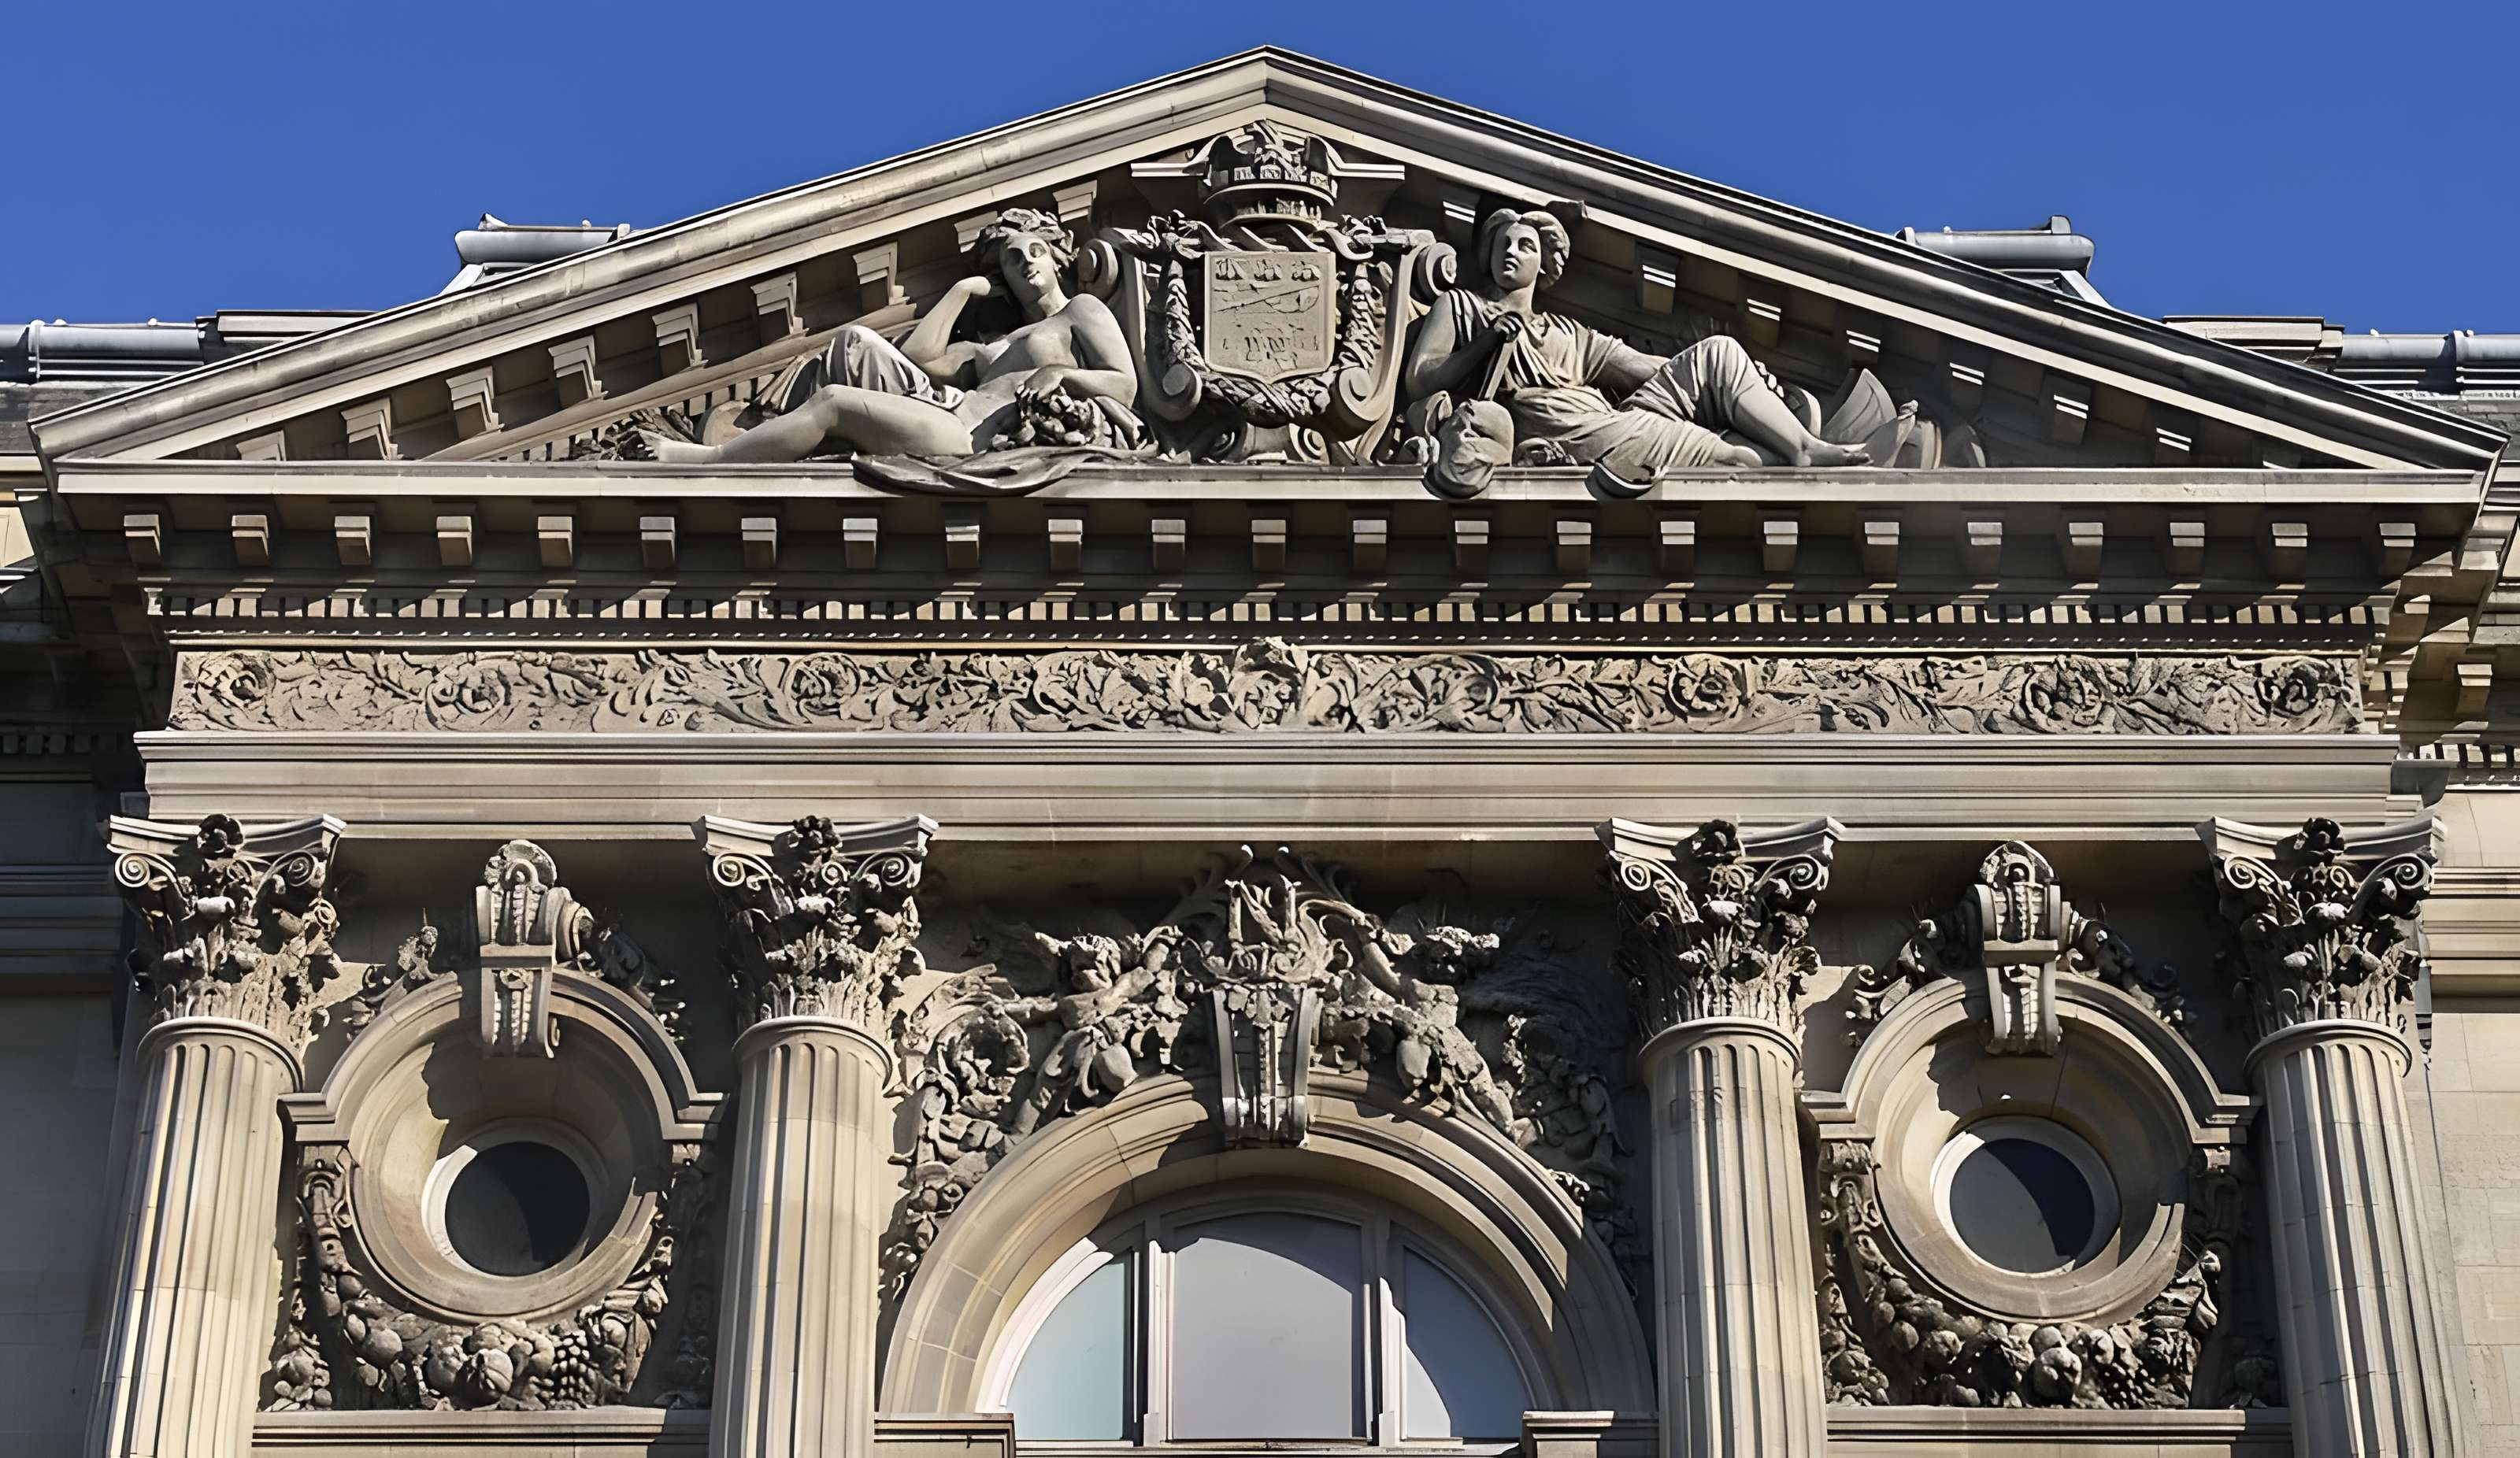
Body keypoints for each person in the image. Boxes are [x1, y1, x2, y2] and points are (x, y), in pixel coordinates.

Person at [1403, 208, 1870, 483]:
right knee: (1732, 458)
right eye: (1503, 244)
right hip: (1564, 429)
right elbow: (1421, 378)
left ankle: (1803, 446)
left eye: (1525, 246)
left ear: (1543, 265)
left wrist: (1739, 379)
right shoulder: (1461, 306)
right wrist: (1485, 343)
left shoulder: (1568, 332)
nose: (1510, 251)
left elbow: (1647, 368)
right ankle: (1781, 456)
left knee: (1720, 351)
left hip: (1609, 417)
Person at [641, 208, 1137, 463]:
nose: (1026, 262)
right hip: (956, 417)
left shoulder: (1080, 311)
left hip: (974, 439)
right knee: (855, 340)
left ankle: (712, 458)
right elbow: (920, 357)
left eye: (1035, 251)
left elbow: (1125, 384)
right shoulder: (988, 346)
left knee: (834, 401)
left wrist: (1061, 375)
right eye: (1011, 258)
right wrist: (964, 289)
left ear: (1057, 255)